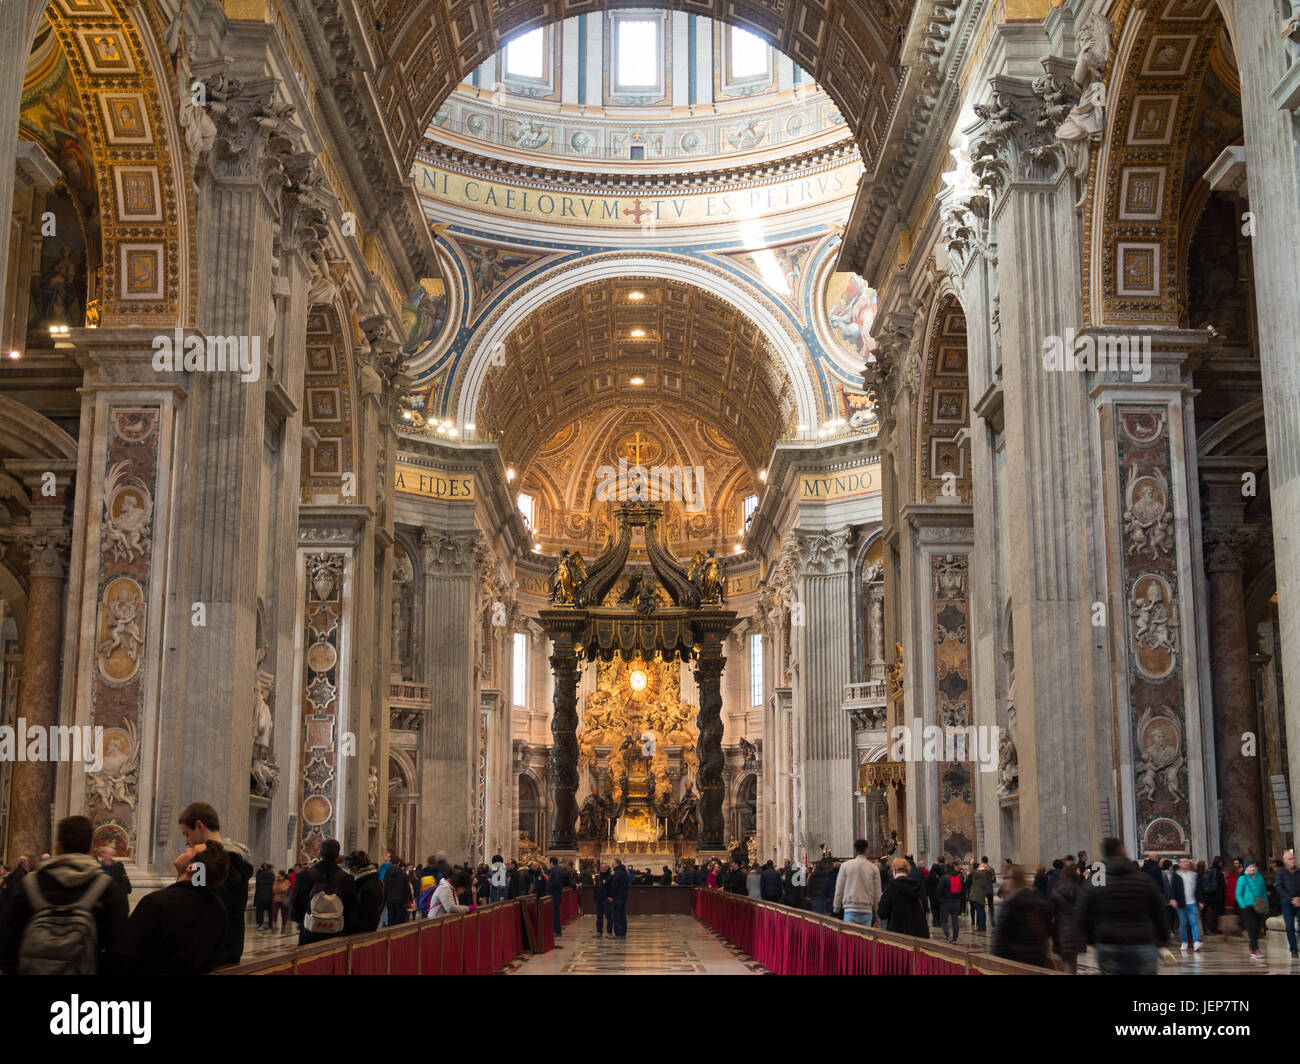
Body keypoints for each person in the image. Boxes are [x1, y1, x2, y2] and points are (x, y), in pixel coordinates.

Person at [0, 815, 131, 975]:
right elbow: (120, 951)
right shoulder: (108, 889)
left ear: (57, 846)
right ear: (90, 848)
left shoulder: (29, 884)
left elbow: (8, 941)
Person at [127, 841, 229, 975]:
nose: (186, 849)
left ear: (191, 868)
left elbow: (125, 953)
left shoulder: (156, 902)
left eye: (191, 849)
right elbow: (214, 958)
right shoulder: (219, 909)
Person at [175, 802, 253, 966]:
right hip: (230, 948)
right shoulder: (236, 859)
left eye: (187, 834)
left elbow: (193, 903)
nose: (187, 841)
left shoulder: (210, 863)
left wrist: (182, 872)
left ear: (199, 825)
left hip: (209, 952)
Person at [1076, 836, 1168, 975]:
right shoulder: (1144, 879)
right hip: (1142, 942)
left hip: (1108, 943)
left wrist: (1093, 939)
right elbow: (1159, 911)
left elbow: (1081, 914)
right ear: (1123, 852)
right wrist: (1162, 938)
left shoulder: (1096, 881)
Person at [289, 838, 357, 945]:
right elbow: (352, 909)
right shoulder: (347, 879)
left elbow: (294, 907)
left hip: (309, 933)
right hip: (337, 934)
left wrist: (302, 920)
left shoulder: (304, 876)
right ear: (338, 855)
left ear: (319, 854)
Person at [993, 865, 1052, 968]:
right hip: (1037, 961)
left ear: (1016, 880)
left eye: (1007, 878)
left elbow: (1000, 944)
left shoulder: (1009, 906)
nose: (1004, 882)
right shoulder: (1038, 902)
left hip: (1013, 963)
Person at [833, 839, 882, 927]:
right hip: (866, 910)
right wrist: (877, 913)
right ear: (867, 850)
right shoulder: (874, 868)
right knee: (865, 935)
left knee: (850, 935)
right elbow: (877, 893)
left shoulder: (845, 866)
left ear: (855, 850)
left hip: (850, 909)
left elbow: (839, 888)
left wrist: (836, 908)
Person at [877, 856, 928, 937]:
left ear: (894, 870)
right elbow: (925, 908)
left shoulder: (891, 887)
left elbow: (882, 913)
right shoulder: (917, 886)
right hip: (917, 933)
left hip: (896, 933)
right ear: (908, 871)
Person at [1049, 863, 1084, 974]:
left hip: (1060, 932)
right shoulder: (1080, 890)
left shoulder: (1056, 889)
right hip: (1075, 933)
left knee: (1063, 963)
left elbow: (1050, 913)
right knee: (1071, 963)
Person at [1168, 855, 1203, 952]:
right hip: (1181, 903)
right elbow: (1172, 888)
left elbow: (1198, 889)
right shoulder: (1176, 875)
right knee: (1183, 924)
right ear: (1179, 864)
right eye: (1183, 862)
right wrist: (1173, 899)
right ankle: (1184, 942)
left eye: (1186, 861)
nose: (1185, 863)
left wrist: (1200, 901)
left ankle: (1196, 942)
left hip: (1192, 902)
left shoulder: (1194, 875)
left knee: (1193, 922)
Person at [1235, 857, 1268, 960]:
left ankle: (1252, 948)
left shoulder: (1260, 878)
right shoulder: (1242, 879)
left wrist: (1265, 903)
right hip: (1248, 907)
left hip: (1259, 906)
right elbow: (1238, 894)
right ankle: (1256, 949)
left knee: (1257, 928)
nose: (1252, 868)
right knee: (1252, 928)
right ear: (1246, 868)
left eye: (1254, 866)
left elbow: (1263, 891)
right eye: (1250, 867)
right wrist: (1243, 905)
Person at [349, 851, 383, 933]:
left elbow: (364, 915)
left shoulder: (364, 886)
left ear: (354, 868)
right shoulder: (379, 881)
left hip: (360, 931)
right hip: (371, 928)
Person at [1276, 849, 1300, 959]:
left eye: (1293, 858)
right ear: (1285, 860)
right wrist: (1291, 899)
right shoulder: (1280, 873)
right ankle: (1293, 950)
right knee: (1289, 927)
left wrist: (1298, 898)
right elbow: (1279, 888)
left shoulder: (1298, 871)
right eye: (1290, 859)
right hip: (1287, 903)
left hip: (1299, 902)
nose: (1293, 860)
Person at [938, 863, 966, 943]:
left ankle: (948, 935)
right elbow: (963, 891)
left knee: (943, 920)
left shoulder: (944, 877)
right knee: (955, 921)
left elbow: (939, 889)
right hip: (956, 902)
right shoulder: (960, 877)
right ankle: (955, 939)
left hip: (946, 901)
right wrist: (960, 899)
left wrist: (939, 898)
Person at [1199, 858, 1224, 936]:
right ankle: (1214, 929)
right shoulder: (1214, 873)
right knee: (1214, 914)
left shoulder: (1198, 875)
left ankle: (1204, 929)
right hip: (1213, 896)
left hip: (1203, 896)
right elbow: (1220, 885)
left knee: (1203, 915)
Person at [968, 857, 993, 932]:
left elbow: (972, 872)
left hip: (977, 894)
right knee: (981, 910)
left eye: (980, 865)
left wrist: (971, 864)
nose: (979, 865)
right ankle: (983, 926)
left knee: (979, 911)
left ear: (982, 867)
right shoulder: (985, 873)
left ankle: (981, 927)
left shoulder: (981, 873)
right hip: (981, 894)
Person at [386, 857, 412, 925]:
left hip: (390, 899)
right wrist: (409, 899)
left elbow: (385, 886)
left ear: (391, 863)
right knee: (400, 921)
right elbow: (406, 887)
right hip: (400, 900)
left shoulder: (387, 873)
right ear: (399, 863)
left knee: (391, 919)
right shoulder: (403, 873)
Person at [610, 859, 629, 939]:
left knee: (617, 915)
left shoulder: (618, 873)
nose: (612, 865)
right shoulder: (624, 872)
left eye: (613, 863)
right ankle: (623, 933)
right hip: (623, 897)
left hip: (618, 897)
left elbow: (615, 885)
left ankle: (618, 933)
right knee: (622, 915)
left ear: (617, 864)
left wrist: (611, 896)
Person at [547, 856, 566, 937]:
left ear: (551, 863)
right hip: (557, 893)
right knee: (555, 912)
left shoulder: (556, 871)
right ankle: (556, 930)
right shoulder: (557, 870)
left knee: (555, 913)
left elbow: (556, 883)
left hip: (555, 894)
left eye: (549, 863)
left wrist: (548, 886)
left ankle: (557, 931)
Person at [254, 861, 275, 931]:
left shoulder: (259, 874)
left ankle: (260, 925)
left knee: (260, 911)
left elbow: (257, 885)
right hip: (269, 896)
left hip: (260, 895)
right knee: (270, 911)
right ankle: (269, 925)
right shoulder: (271, 874)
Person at [593, 863, 613, 937]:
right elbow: (596, 887)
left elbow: (612, 888)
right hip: (599, 899)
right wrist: (595, 897)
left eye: (605, 867)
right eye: (602, 867)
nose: (603, 869)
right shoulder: (598, 877)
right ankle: (599, 932)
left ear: (608, 868)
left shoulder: (610, 877)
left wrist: (610, 896)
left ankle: (609, 932)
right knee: (599, 916)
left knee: (608, 916)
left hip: (606, 899)